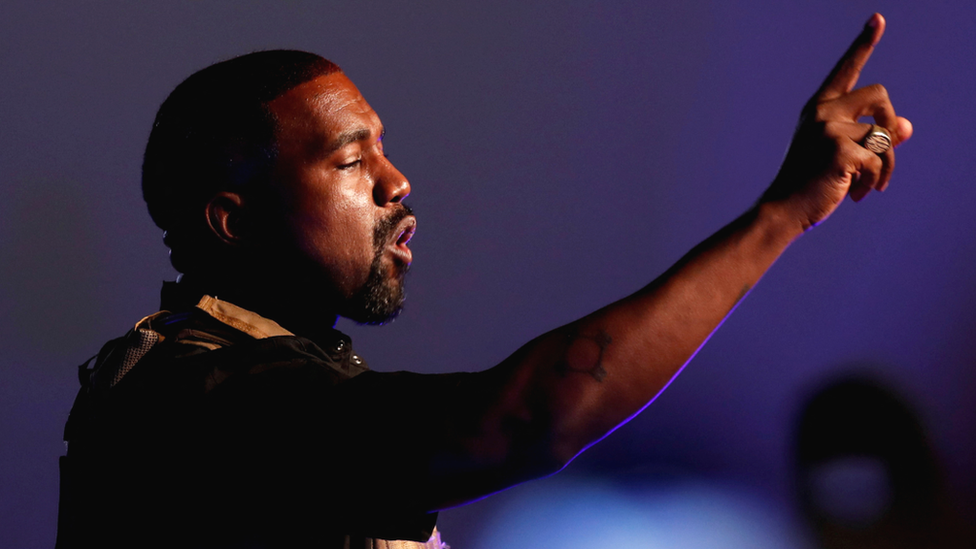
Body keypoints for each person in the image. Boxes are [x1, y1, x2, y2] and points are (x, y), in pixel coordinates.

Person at [56, 12, 912, 549]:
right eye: (353, 159)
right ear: (232, 220)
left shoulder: (298, 381)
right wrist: (780, 214)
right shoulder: (188, 397)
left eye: (385, 150)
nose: (398, 183)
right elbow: (532, 415)